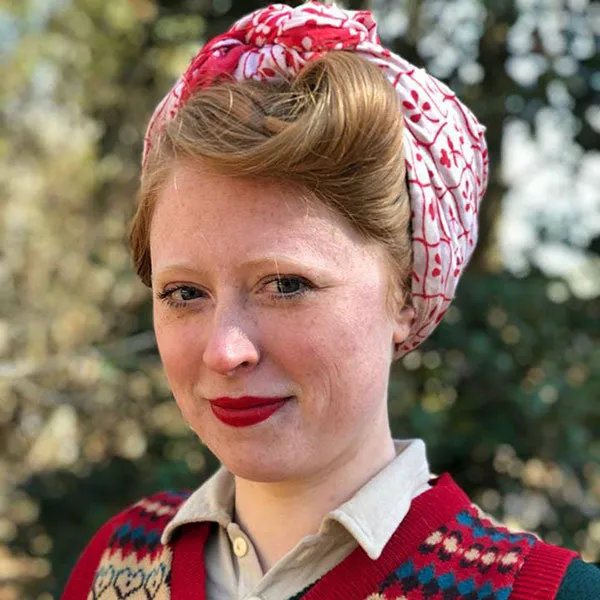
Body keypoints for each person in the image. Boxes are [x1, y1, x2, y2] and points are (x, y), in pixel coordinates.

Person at [61, 2, 599, 599]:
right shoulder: (114, 565)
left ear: (406, 296)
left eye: (287, 284)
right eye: (184, 293)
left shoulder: (546, 594)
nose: (224, 350)